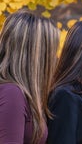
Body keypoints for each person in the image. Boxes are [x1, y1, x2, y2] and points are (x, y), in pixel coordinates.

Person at [0, 10, 58, 143]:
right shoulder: (11, 93)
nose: (55, 58)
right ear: (38, 54)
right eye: (52, 51)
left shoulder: (21, 93)